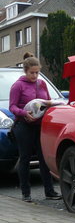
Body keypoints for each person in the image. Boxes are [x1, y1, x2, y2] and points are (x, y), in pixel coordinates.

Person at [9, 56, 62, 202]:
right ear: (25, 71)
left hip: (40, 126)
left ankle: (49, 192)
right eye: (32, 72)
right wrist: (24, 113)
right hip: (23, 126)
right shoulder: (17, 86)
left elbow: (49, 101)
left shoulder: (42, 83)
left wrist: (51, 105)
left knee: (44, 158)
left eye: (37, 72)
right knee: (25, 158)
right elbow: (12, 106)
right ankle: (26, 193)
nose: (34, 76)